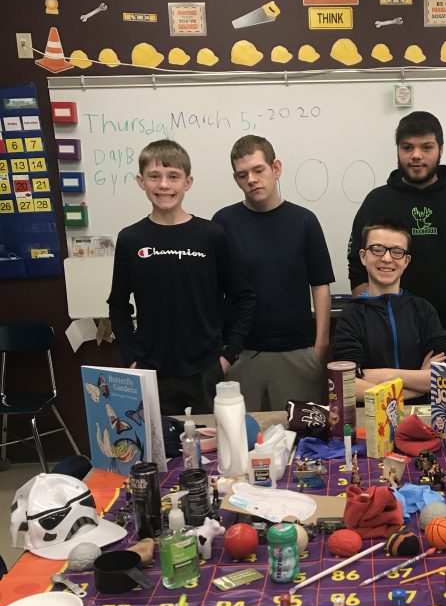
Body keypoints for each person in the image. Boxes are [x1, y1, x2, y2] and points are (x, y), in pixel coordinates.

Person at [108, 140, 256, 414]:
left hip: (205, 370)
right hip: (150, 371)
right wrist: (130, 360)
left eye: (173, 177)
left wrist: (227, 356)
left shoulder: (211, 235)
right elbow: (118, 303)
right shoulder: (130, 239)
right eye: (154, 176)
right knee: (160, 452)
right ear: (141, 181)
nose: (164, 185)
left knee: (211, 453)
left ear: (187, 182)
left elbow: (243, 296)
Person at [347, 110, 446, 363]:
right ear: (397, 150)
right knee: (393, 399)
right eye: (407, 147)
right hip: (391, 329)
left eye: (426, 147)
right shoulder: (376, 202)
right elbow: (357, 266)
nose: (416, 155)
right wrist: (370, 320)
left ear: (440, 149)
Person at [212, 135, 335, 411]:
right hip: (241, 356)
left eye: (259, 170)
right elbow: (212, 289)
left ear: (276, 168)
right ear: (236, 179)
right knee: (243, 442)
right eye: (243, 175)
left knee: (304, 443)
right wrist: (223, 352)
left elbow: (320, 285)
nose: (252, 180)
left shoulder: (304, 221)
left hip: (298, 354)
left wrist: (320, 348)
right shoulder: (223, 223)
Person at [332, 219, 446, 401]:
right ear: (363, 256)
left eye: (397, 252)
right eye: (377, 249)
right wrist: (420, 383)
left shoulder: (423, 310)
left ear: (406, 261)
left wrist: (382, 376)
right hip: (371, 421)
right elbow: (347, 384)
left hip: (422, 419)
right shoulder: (352, 315)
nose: (387, 258)